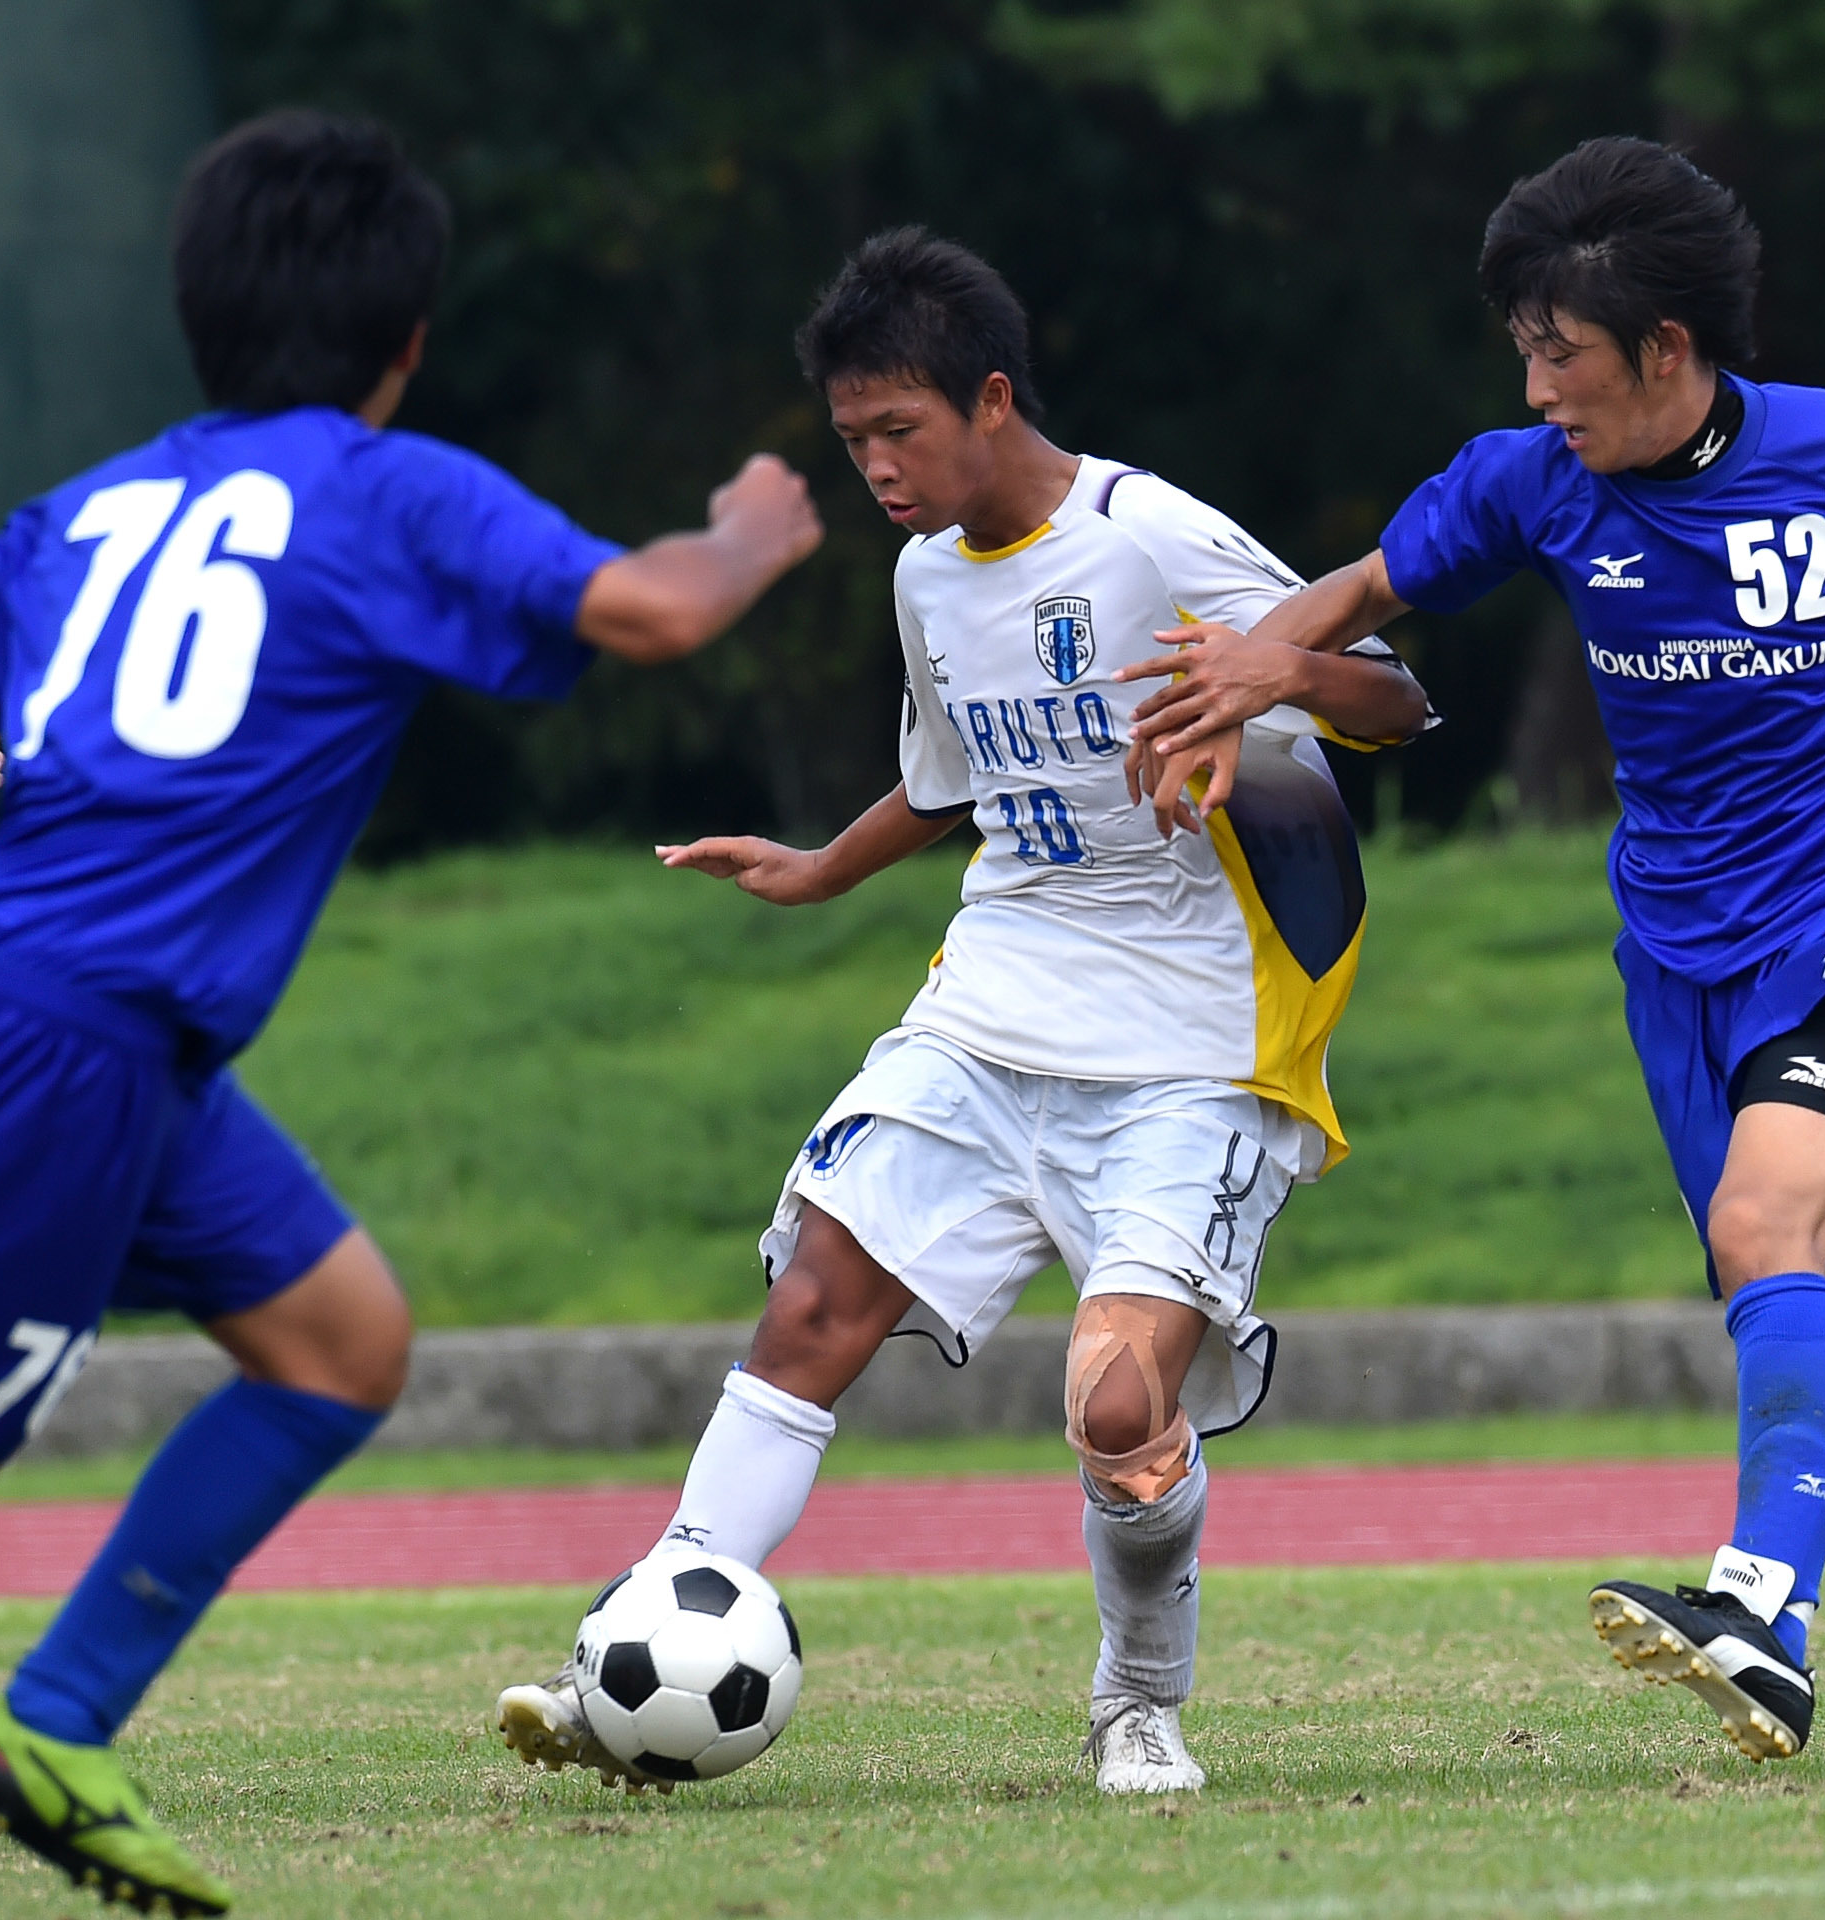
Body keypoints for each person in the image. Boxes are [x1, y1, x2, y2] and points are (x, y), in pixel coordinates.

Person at [0, 109, 822, 1910]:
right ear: (406, 341)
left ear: (196, 317)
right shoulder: (385, 488)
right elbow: (649, 614)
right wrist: (750, 530)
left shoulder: (78, 508)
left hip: (102, 1039)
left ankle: (64, 1730)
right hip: (65, 1040)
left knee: (342, 1343)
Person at [1117, 136, 1825, 1764]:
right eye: (1523, 350)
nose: (1538, 388)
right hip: (1681, 946)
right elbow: (1377, 585)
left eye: (1563, 353)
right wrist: (1261, 668)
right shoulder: (1530, 481)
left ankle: (1766, 1615)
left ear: (1666, 350)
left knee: (1763, 1227)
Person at [493, 227, 1433, 1798]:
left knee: (1118, 1402)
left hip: (1193, 1051)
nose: (874, 465)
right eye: (851, 437)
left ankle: (1139, 1702)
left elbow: (1396, 693)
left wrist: (1271, 679)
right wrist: (817, 871)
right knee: (808, 1314)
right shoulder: (929, 577)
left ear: (992, 398)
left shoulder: (1151, 535)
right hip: (991, 1013)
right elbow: (950, 783)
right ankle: (633, 1644)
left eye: (897, 430)